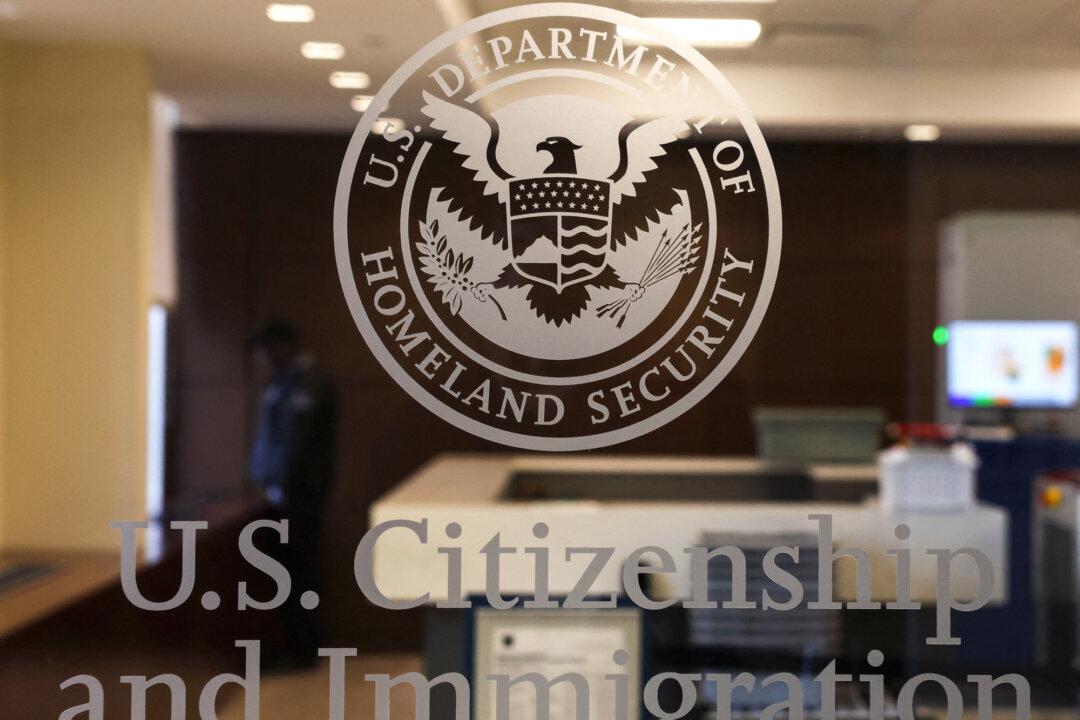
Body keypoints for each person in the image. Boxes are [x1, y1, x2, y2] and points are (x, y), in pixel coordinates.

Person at [247, 319, 338, 670]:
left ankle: (302, 651)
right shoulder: (284, 382)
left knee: (299, 575)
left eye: (267, 350)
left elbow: (296, 445)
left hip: (299, 500)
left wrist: (280, 484)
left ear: (282, 346)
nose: (264, 359)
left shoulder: (308, 383)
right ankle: (295, 646)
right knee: (291, 575)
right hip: (284, 497)